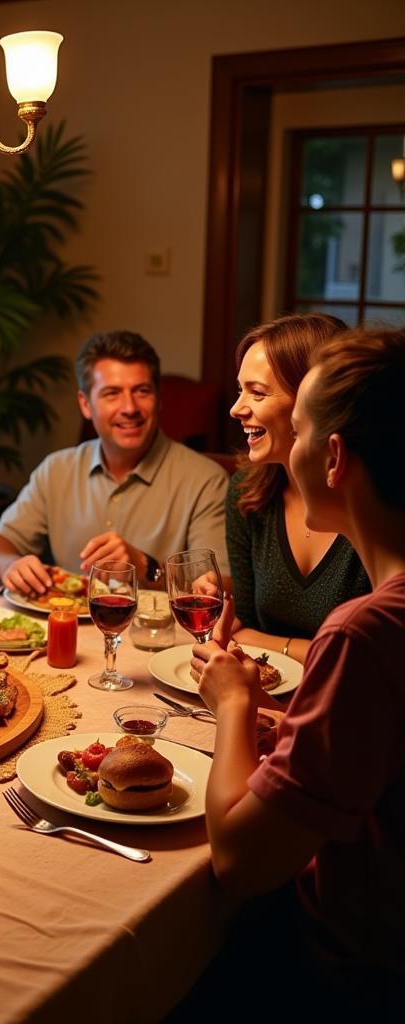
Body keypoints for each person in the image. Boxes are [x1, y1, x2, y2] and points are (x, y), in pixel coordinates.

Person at [190, 326, 405, 1007]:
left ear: (334, 455)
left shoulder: (367, 632)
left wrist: (232, 704)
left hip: (350, 971)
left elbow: (239, 860)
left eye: (302, 428)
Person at [0, 330, 229, 592]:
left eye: (142, 391)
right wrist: (10, 565)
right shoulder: (57, 470)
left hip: (156, 632)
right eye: (112, 393)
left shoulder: (206, 481)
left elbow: (219, 587)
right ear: (85, 404)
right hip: (68, 627)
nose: (130, 408)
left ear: (158, 398)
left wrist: (144, 567)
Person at [226, 314, 369, 663]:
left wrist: (283, 647)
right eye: (239, 390)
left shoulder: (375, 506)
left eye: (257, 392)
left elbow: (374, 652)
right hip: (268, 695)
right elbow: (240, 626)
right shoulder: (247, 494)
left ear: (311, 399)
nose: (235, 409)